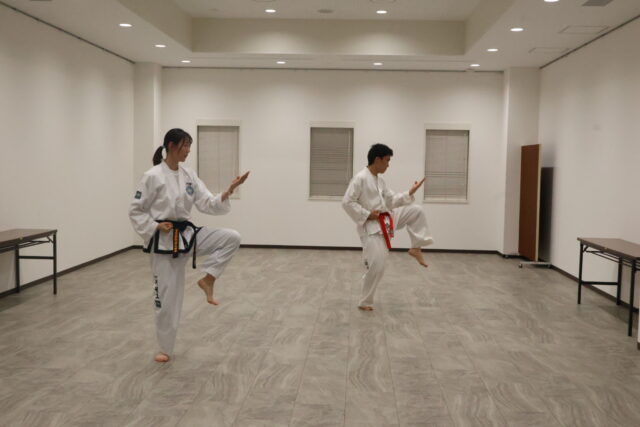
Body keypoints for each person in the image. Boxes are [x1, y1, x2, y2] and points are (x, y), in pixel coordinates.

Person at [129, 128, 249, 362]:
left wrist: (229, 191)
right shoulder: (152, 176)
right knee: (167, 299)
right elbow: (135, 211)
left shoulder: (189, 176)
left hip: (186, 235)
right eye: (185, 145)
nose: (188, 151)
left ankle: (208, 279)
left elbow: (207, 203)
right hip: (163, 242)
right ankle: (165, 348)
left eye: (189, 146)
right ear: (172, 146)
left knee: (232, 237)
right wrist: (155, 226)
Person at [342, 143, 433, 311]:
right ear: (377, 160)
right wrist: (367, 214)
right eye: (387, 160)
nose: (388, 165)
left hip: (387, 218)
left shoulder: (380, 181)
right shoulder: (360, 178)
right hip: (371, 226)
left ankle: (416, 247)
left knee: (416, 211)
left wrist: (410, 192)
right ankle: (365, 302)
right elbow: (347, 202)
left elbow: (391, 201)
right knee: (377, 265)